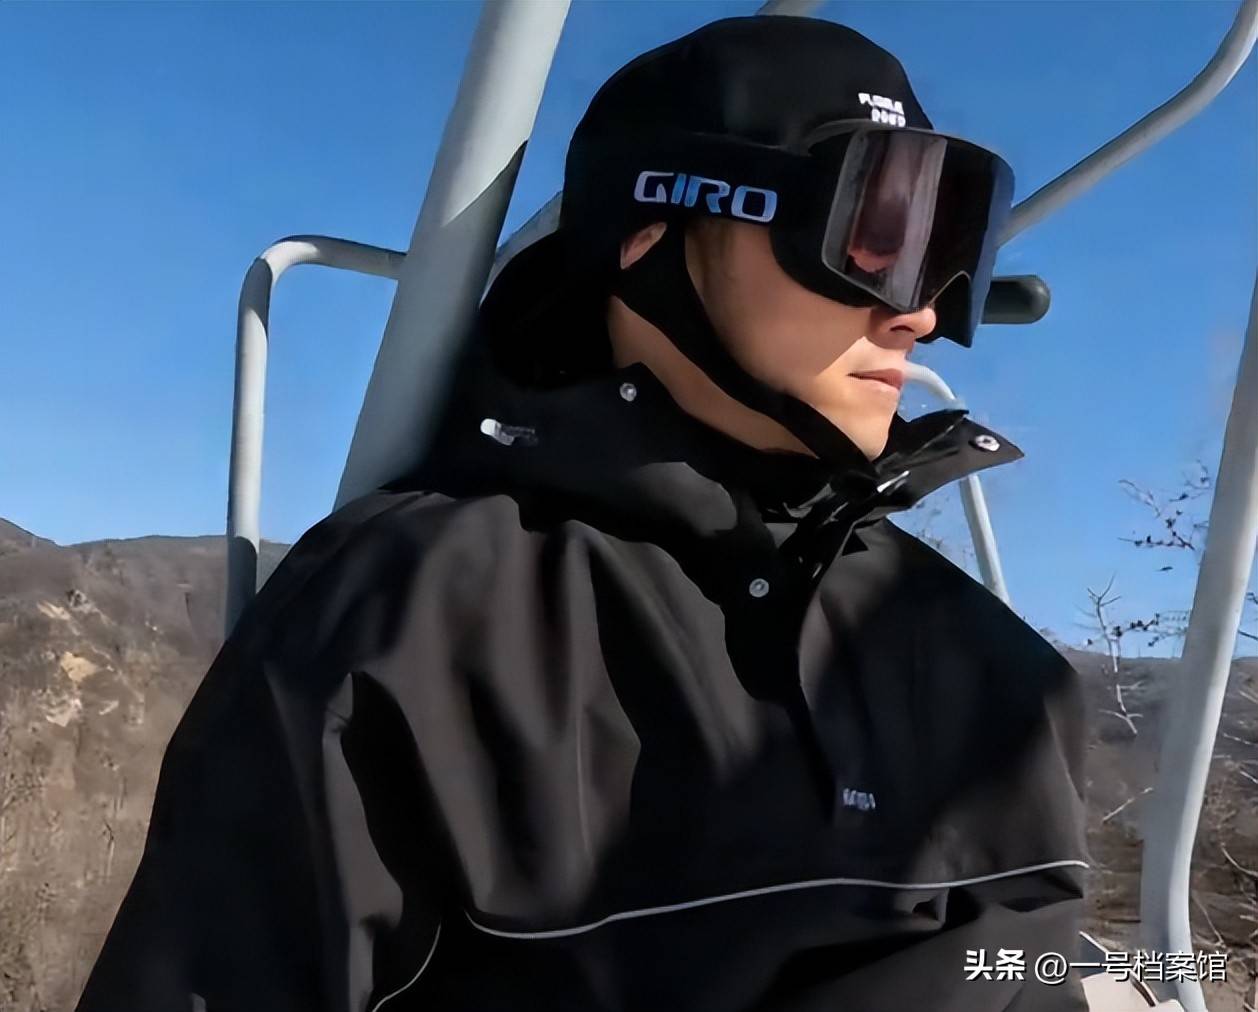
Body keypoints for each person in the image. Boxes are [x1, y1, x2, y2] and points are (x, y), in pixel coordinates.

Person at [78, 16, 1099, 1012]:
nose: (919, 312)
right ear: (651, 234)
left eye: (943, 247)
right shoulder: (417, 619)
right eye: (873, 235)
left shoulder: (1001, 673)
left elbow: (1031, 974)